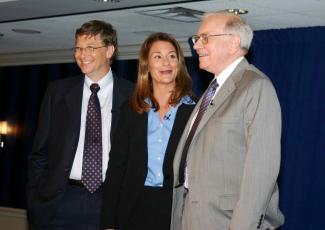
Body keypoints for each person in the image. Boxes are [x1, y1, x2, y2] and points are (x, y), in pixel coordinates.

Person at [171, 12, 285, 230]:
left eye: (205, 38)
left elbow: (260, 173)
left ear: (233, 42)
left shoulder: (255, 86)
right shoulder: (212, 90)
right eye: (196, 39)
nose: (196, 46)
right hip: (191, 217)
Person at [27, 20, 134, 230]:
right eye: (78, 48)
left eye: (91, 48)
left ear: (110, 50)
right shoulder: (57, 92)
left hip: (109, 203)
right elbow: (39, 153)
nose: (82, 54)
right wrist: (35, 199)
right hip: (59, 203)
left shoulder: (133, 95)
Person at [100, 32, 196, 230]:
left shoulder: (196, 110)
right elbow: (117, 168)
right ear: (147, 66)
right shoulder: (131, 110)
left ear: (179, 63)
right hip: (134, 207)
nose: (166, 63)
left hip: (179, 209)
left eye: (172, 56)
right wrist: (109, 222)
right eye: (157, 57)